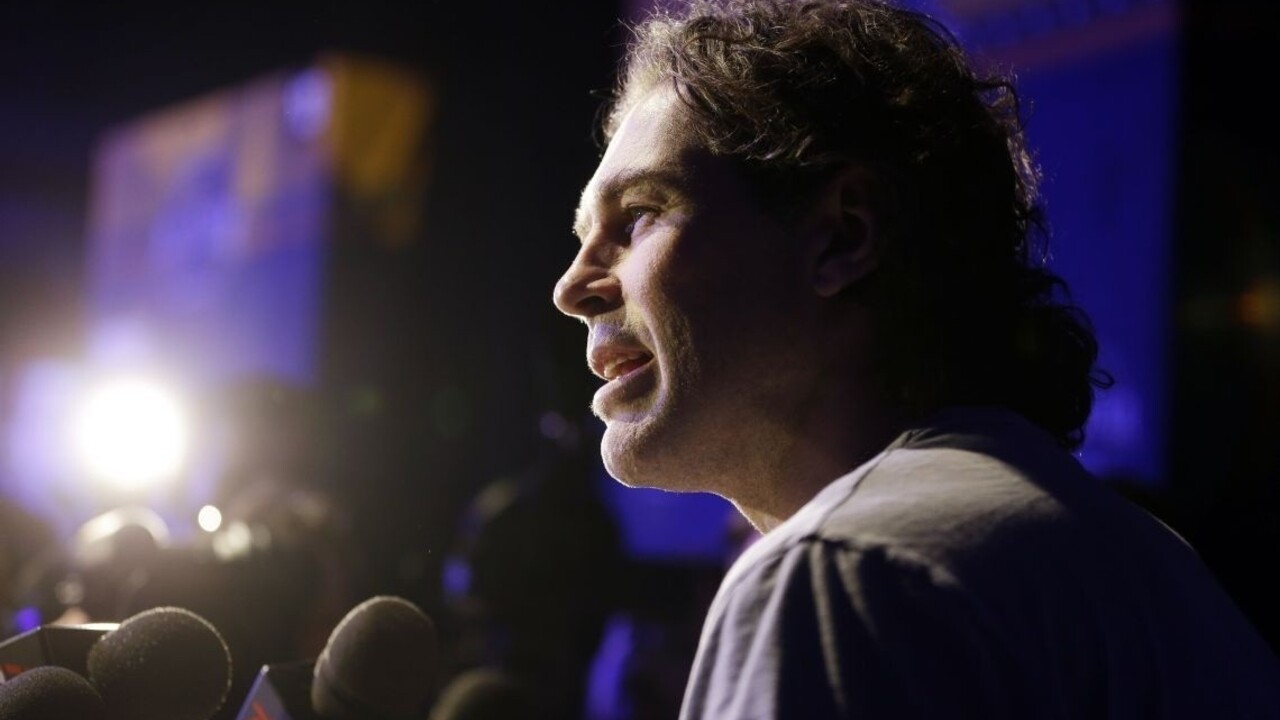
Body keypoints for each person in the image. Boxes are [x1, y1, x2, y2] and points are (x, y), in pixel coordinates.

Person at [552, 0, 1280, 717]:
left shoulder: (844, 571)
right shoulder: (1159, 572)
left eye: (640, 215)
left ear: (843, 236)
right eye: (584, 237)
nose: (572, 289)